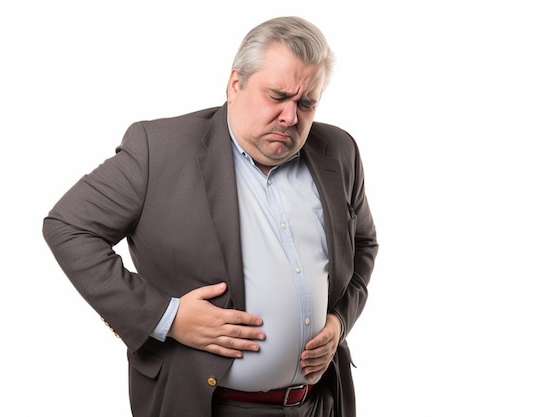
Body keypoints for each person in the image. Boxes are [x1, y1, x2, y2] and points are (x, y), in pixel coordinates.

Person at [43, 15, 378, 417]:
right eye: (277, 96)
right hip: (205, 405)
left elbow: (364, 245)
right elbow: (68, 226)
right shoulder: (159, 150)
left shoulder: (338, 151)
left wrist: (340, 321)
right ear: (235, 84)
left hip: (318, 405)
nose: (290, 117)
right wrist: (166, 316)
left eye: (306, 103)